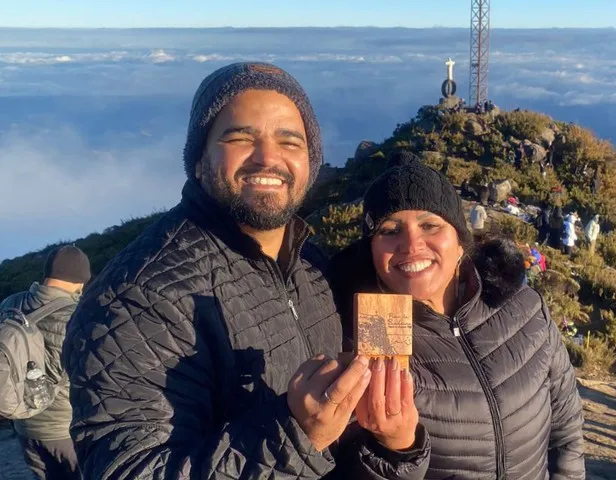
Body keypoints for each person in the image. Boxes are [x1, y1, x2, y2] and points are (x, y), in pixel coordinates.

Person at [61, 63, 430, 479]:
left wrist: (398, 447)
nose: (268, 157)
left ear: (311, 163)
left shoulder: (312, 267)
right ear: (199, 160)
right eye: (240, 137)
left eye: (290, 141)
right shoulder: (136, 298)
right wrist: (294, 437)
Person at [328, 152, 586, 479]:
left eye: (430, 225)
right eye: (389, 231)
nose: (411, 244)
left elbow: (566, 426)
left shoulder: (525, 306)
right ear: (373, 253)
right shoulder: (366, 340)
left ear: (460, 241)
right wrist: (395, 447)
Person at [0, 245, 90, 480]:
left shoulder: (10, 305)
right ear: (81, 280)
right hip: (63, 430)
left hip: (24, 427)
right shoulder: (78, 315)